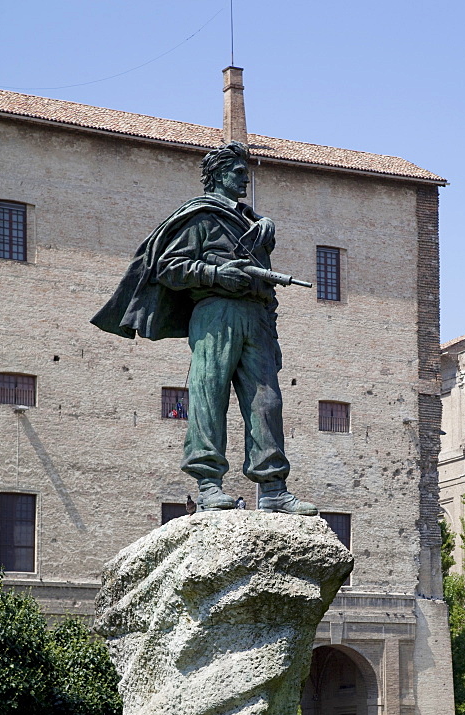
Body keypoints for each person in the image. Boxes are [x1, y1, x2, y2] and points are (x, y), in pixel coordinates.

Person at [91, 141, 317, 516]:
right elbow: (168, 267)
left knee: (267, 402)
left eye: (246, 173)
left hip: (257, 316)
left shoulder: (253, 225)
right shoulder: (200, 216)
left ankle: (274, 488)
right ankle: (209, 484)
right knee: (208, 396)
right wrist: (215, 274)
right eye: (238, 173)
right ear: (218, 175)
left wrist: (272, 331)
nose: (245, 178)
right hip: (215, 314)